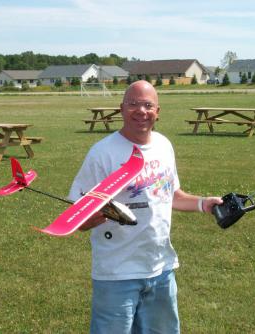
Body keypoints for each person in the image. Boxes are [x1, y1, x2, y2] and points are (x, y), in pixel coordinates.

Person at [68, 80, 223, 334]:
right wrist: (89, 220)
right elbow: (77, 215)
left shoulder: (163, 146)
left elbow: (171, 195)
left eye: (148, 105)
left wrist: (203, 204)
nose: (141, 111)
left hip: (161, 268)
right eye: (133, 104)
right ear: (121, 109)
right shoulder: (102, 153)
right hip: (117, 273)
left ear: (158, 112)